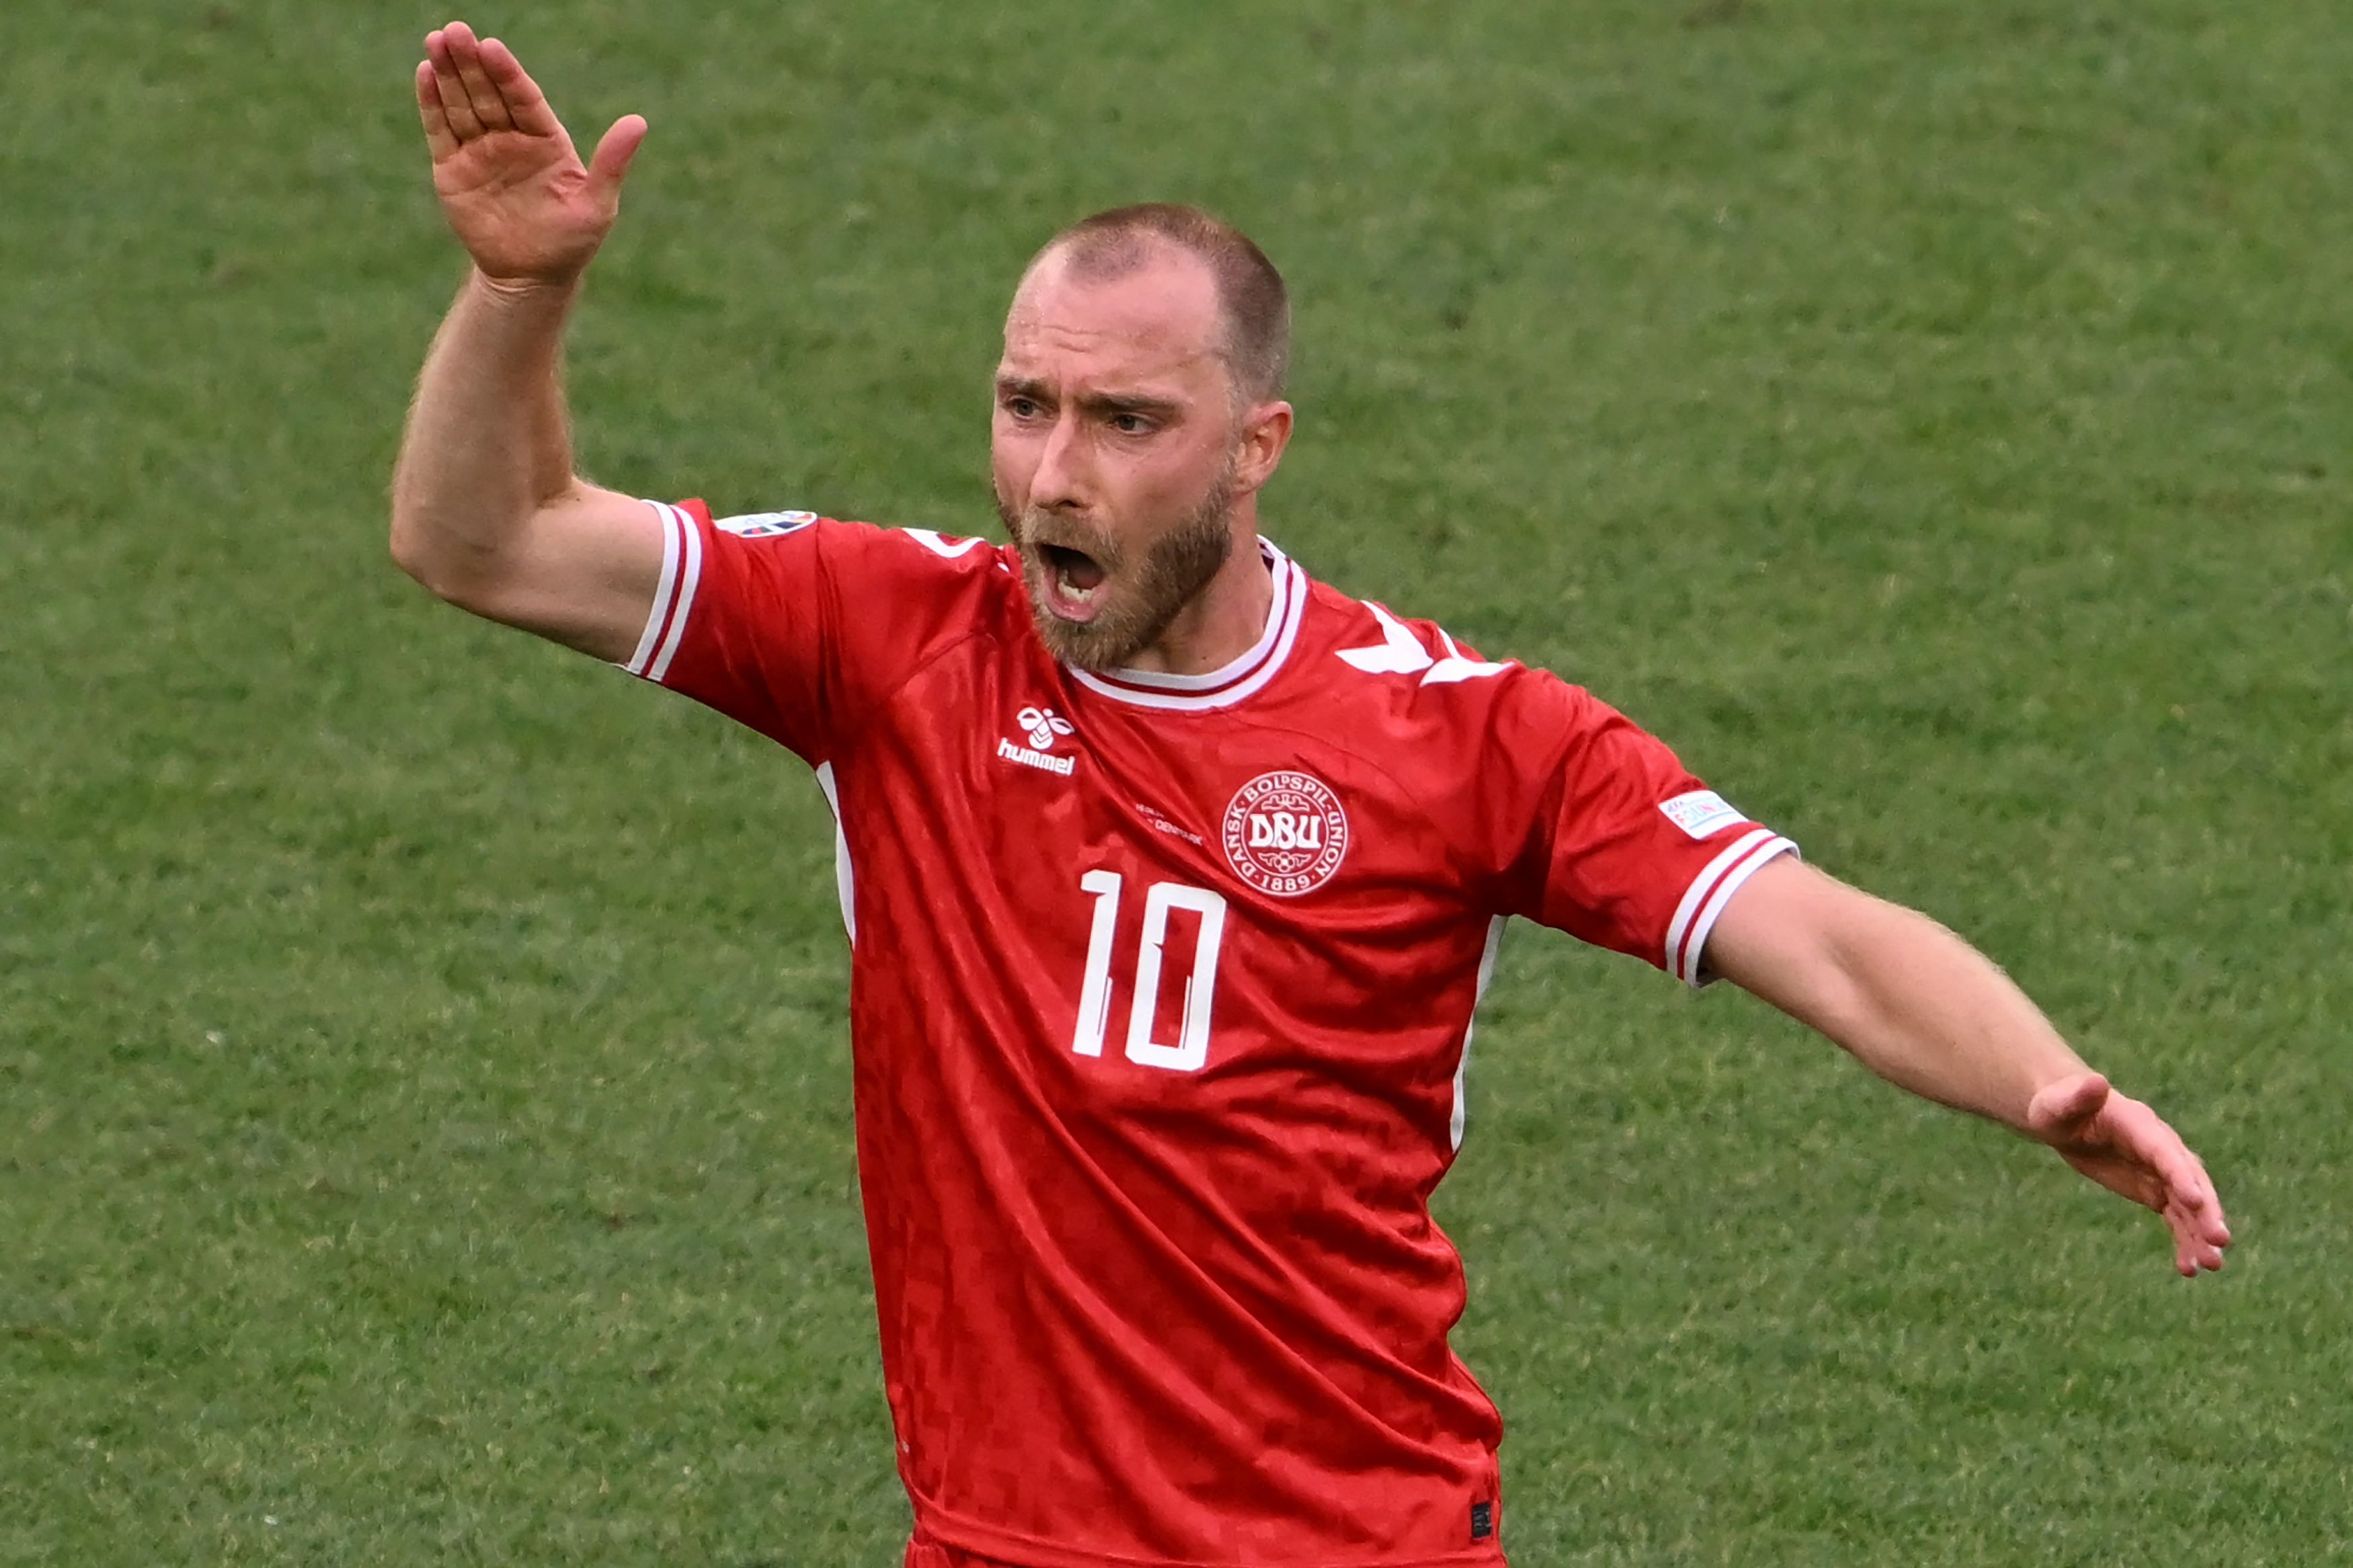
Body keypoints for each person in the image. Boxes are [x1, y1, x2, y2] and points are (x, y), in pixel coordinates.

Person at [393, 22, 2231, 1568]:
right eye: (1026, 405)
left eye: (1126, 424)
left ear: (1252, 445)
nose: (1053, 474)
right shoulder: (895, 645)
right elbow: (488, 539)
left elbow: (1808, 931)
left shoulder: (1459, 734)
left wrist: (2035, 1079)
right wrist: (517, 290)